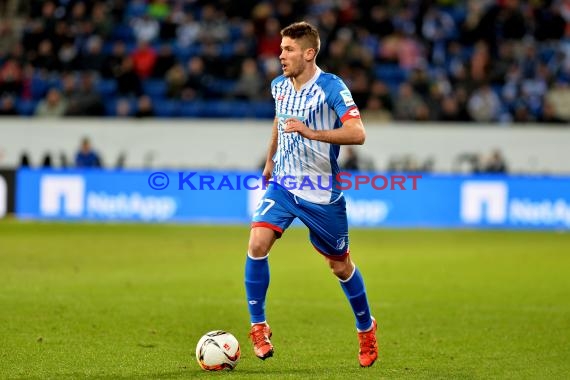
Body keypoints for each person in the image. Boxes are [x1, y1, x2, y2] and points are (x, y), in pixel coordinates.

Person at [245, 21, 378, 368]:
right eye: (280, 49)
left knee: (340, 266)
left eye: (288, 49)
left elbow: (358, 133)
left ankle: (366, 327)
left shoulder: (331, 87)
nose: (281, 55)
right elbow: (279, 119)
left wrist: (311, 132)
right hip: (284, 185)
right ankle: (258, 327)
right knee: (257, 243)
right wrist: (270, 159)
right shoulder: (279, 86)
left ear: (308, 52)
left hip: (321, 192)